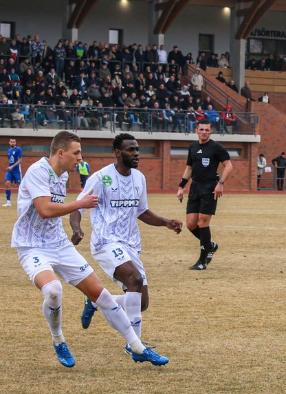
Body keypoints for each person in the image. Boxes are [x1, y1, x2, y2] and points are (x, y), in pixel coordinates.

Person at [11, 131, 168, 367]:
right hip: (31, 245)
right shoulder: (37, 171)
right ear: (61, 152)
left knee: (102, 296)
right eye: (76, 153)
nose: (80, 158)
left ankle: (137, 347)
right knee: (53, 291)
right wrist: (79, 205)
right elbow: (44, 209)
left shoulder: (62, 175)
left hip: (59, 244)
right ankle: (58, 340)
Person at [69, 134, 183, 348]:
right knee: (134, 279)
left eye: (137, 149)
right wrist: (77, 229)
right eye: (131, 149)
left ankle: (96, 302)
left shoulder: (139, 178)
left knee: (141, 302)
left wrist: (167, 222)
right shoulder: (101, 178)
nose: (136, 153)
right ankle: (135, 346)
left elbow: (142, 212)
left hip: (131, 244)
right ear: (117, 152)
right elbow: (78, 207)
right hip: (105, 242)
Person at [176, 121, 233, 270]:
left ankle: (202, 261)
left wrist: (220, 183)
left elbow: (229, 165)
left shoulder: (216, 147)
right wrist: (181, 187)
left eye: (207, 130)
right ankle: (210, 245)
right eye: (201, 129)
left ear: (210, 132)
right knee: (190, 224)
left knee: (202, 222)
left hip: (210, 188)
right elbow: (189, 168)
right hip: (195, 187)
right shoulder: (193, 147)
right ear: (197, 131)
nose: (204, 132)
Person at [5, 138, 22, 207]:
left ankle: (22, 201)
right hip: (10, 171)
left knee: (20, 185)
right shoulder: (9, 150)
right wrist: (9, 167)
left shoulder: (18, 149)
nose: (12, 143)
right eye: (11, 142)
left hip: (17, 170)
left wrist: (12, 167)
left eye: (14, 142)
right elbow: (10, 161)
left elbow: (20, 160)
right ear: (9, 142)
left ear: (15, 143)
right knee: (7, 183)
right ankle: (8, 202)